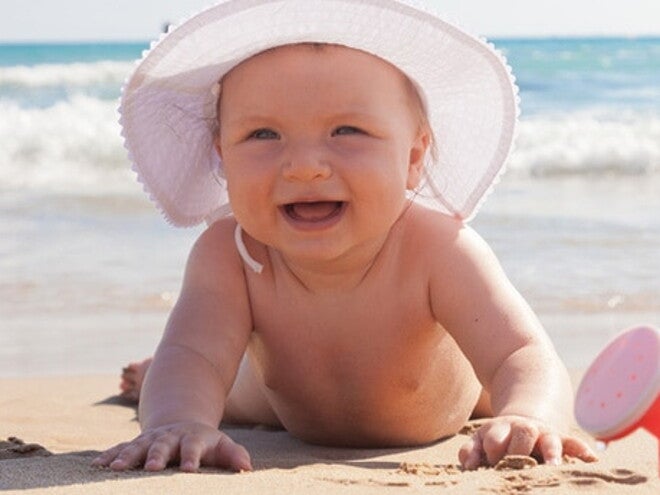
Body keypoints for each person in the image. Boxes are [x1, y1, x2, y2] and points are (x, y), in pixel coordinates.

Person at [94, 0, 597, 473]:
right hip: (273, 399)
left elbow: (522, 354)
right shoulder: (231, 254)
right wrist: (176, 421)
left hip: (442, 400)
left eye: (347, 131)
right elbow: (197, 354)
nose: (306, 167)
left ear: (414, 156)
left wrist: (531, 413)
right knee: (208, 388)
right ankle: (154, 380)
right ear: (221, 154)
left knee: (495, 392)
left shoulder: (439, 249)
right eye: (263, 135)